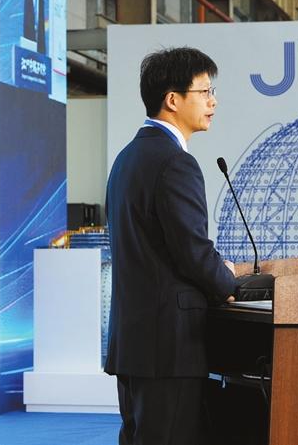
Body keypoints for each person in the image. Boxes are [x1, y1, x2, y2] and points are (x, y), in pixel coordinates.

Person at [105, 47, 243, 445]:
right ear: (172, 100)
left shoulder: (127, 158)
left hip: (134, 342)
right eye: (204, 91)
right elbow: (192, 253)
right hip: (169, 346)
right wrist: (229, 283)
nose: (213, 101)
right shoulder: (175, 162)